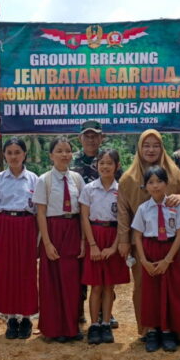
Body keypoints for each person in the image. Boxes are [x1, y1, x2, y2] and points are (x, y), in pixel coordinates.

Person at [117, 130, 180, 337]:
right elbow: (123, 211)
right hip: (143, 243)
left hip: (173, 242)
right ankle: (149, 329)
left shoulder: (173, 172)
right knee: (145, 286)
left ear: (162, 148)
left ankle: (175, 329)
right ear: (139, 148)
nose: (151, 150)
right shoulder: (128, 178)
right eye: (146, 145)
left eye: (156, 145)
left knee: (176, 284)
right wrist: (123, 240)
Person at [131, 165, 180, 353]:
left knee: (171, 291)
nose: (155, 186)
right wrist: (144, 261)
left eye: (159, 181)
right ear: (145, 186)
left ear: (166, 183)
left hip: (170, 251)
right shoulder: (143, 208)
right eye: (151, 182)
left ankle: (167, 331)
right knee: (151, 293)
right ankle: (153, 331)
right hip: (150, 251)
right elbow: (137, 235)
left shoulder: (175, 206)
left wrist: (167, 260)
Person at [33, 136, 85, 343]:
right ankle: (54, 329)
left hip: (73, 229)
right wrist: (46, 243)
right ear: (51, 155)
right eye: (59, 151)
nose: (64, 155)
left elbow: (84, 212)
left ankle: (71, 327)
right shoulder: (44, 180)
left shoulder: (77, 179)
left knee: (72, 281)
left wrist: (83, 240)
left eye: (68, 151)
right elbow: (40, 213)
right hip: (53, 230)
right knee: (52, 281)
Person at [0, 138, 39, 340]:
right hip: (5, 225)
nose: (13, 156)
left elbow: (38, 210)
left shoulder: (33, 179)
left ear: (24, 154)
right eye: (9, 153)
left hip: (27, 226)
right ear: (4, 155)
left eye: (17, 152)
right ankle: (11, 318)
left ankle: (26, 318)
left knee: (26, 271)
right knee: (7, 271)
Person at [71, 120, 118, 328]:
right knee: (80, 269)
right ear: (80, 138)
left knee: (105, 273)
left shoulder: (110, 159)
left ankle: (105, 313)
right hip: (76, 223)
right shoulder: (71, 161)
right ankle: (79, 311)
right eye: (87, 136)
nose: (91, 139)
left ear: (102, 137)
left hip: (105, 227)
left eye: (95, 135)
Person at [80, 149, 129, 345]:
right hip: (95, 235)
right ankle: (94, 325)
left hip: (113, 236)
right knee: (96, 286)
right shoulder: (89, 189)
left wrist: (114, 247)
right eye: (102, 163)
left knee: (109, 285)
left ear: (117, 166)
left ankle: (106, 323)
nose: (105, 166)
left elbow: (123, 219)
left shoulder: (121, 190)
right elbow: (84, 217)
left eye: (110, 163)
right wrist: (92, 245)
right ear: (96, 165)